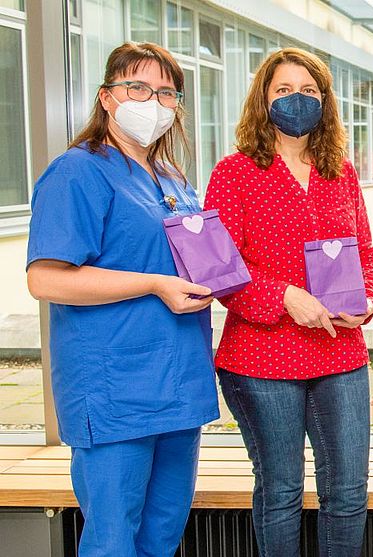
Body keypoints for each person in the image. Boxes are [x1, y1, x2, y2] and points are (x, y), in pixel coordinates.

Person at [25, 42, 219, 557]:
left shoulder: (173, 180)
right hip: (116, 393)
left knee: (161, 536)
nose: (151, 101)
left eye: (165, 92)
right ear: (107, 97)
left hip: (179, 388)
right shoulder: (78, 171)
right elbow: (46, 279)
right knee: (112, 541)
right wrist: (153, 284)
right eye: (137, 87)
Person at [205, 47, 373, 556]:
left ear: (324, 102)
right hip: (263, 359)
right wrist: (284, 296)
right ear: (263, 99)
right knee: (280, 492)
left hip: (339, 352)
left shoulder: (340, 172)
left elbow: (366, 252)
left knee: (348, 494)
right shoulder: (234, 173)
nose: (296, 99)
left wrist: (368, 300)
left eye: (309, 91)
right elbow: (220, 270)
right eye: (283, 89)